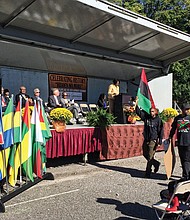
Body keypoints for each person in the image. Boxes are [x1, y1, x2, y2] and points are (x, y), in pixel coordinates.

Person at [135, 100, 164, 178]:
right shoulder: (146, 118)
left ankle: (148, 172)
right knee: (145, 154)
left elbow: (161, 130)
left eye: (153, 111)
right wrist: (137, 103)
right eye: (150, 111)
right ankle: (156, 163)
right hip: (146, 139)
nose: (151, 113)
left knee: (150, 156)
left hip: (153, 140)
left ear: (156, 112)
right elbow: (138, 112)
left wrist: (160, 140)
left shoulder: (158, 120)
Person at [168, 103, 190, 180]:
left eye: (188, 109)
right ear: (182, 110)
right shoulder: (177, 118)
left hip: (188, 142)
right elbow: (173, 129)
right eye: (186, 109)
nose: (187, 111)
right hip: (180, 142)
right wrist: (170, 136)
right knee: (182, 159)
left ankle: (186, 175)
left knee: (187, 159)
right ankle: (186, 174)